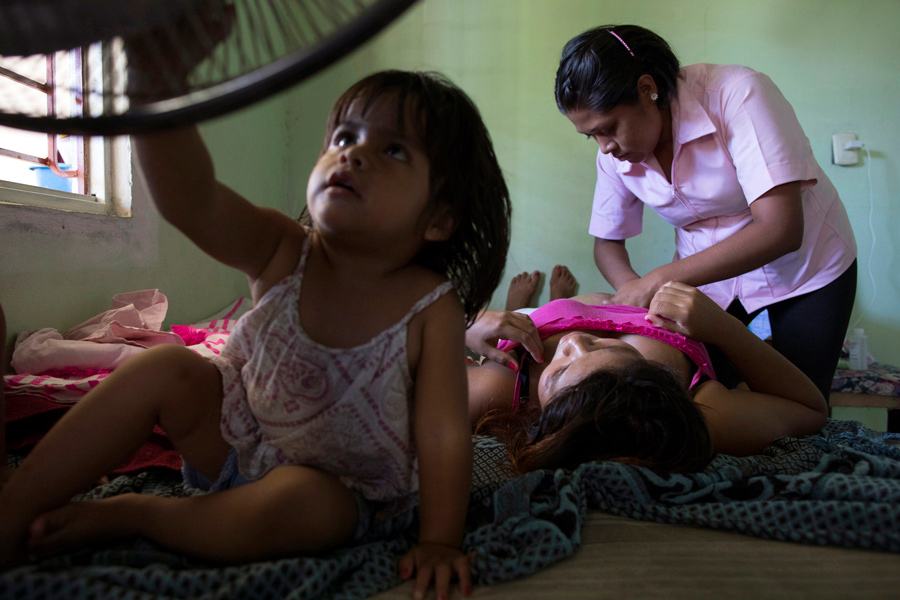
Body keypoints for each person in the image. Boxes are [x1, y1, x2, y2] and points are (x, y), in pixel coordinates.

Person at [0, 70, 513, 600]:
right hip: (236, 444)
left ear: (439, 218)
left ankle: (140, 515)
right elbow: (192, 200)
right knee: (164, 367)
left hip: (343, 492)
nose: (354, 155)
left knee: (314, 503)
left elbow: (442, 433)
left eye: (394, 150)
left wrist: (440, 541)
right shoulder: (284, 250)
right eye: (345, 137)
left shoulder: (431, 306)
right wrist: (153, 87)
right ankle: (14, 510)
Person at [553, 24, 857, 402]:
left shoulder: (739, 95)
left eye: (609, 128)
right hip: (707, 280)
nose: (604, 148)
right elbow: (607, 244)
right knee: (687, 390)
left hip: (806, 268)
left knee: (799, 401)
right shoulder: (614, 155)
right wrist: (633, 291)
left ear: (647, 89)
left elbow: (780, 228)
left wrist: (658, 280)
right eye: (591, 136)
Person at [465, 280, 828, 473]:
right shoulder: (697, 409)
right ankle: (556, 299)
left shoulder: (501, 386)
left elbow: (428, 366)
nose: (573, 341)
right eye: (611, 350)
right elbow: (811, 409)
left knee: (499, 328)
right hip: (640, 299)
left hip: (530, 320)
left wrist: (466, 324)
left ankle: (536, 302)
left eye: (557, 373)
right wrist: (723, 327)